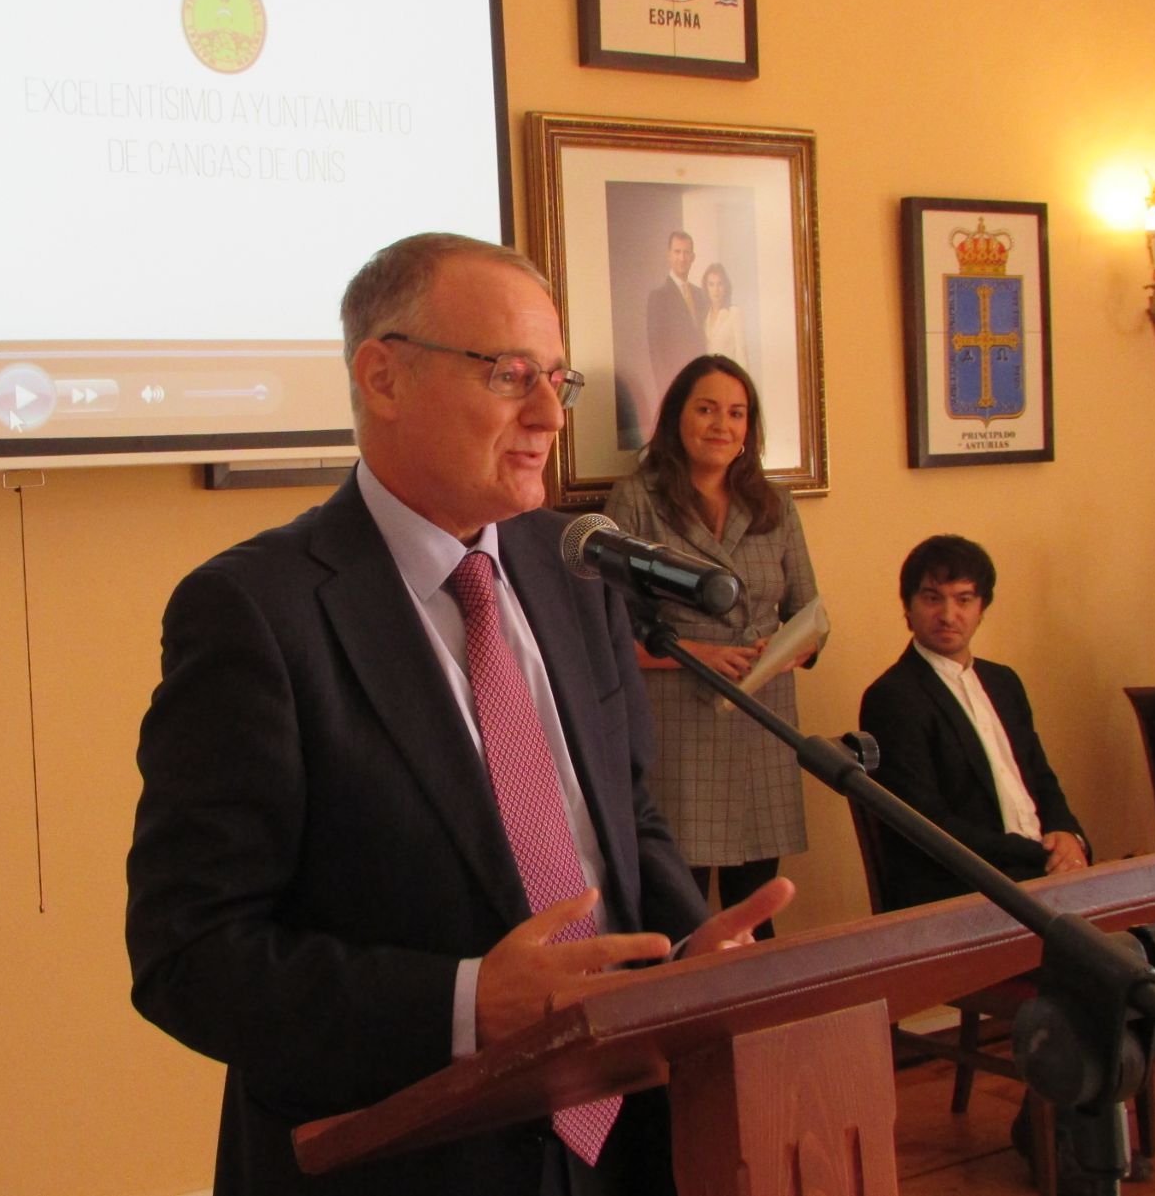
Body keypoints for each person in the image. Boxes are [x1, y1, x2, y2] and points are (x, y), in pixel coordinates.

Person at [126, 232, 790, 1196]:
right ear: (382, 375)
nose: (546, 414)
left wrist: (692, 961)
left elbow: (626, 822)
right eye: (510, 373)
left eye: (557, 379)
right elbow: (188, 955)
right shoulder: (256, 613)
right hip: (406, 1160)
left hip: (625, 1138)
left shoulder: (576, 569)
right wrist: (467, 1002)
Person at [860, 535, 1155, 1190]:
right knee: (1113, 967)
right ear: (907, 607)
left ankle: (1058, 1100)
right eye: (931, 598)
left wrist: (1068, 834)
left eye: (964, 599)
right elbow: (927, 826)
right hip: (966, 891)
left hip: (1050, 878)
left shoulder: (1002, 680)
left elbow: (1042, 780)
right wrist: (1040, 853)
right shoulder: (892, 696)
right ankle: (1075, 1135)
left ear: (982, 607)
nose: (947, 612)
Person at [605, 354, 820, 936]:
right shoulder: (638, 501)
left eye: (736, 413)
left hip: (762, 718)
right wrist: (699, 655)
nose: (721, 425)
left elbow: (809, 611)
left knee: (760, 911)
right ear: (678, 417)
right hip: (681, 722)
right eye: (706, 409)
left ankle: (760, 1025)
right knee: (685, 912)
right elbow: (611, 629)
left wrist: (788, 649)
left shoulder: (776, 505)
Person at [644, 230, 706, 398]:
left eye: (686, 252)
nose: (682, 257)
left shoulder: (701, 295)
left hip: (701, 381)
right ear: (669, 255)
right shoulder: (658, 297)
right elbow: (656, 350)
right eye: (677, 252)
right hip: (675, 384)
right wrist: (666, 389)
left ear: (693, 257)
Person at [697, 262, 746, 367]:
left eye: (720, 284)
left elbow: (741, 353)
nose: (716, 290)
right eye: (711, 284)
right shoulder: (705, 318)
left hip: (729, 375)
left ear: (726, 286)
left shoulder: (734, 313)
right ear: (706, 288)